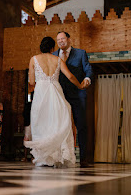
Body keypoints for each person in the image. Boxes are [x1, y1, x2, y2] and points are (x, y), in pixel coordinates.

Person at [24, 36, 84, 168]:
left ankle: (44, 158)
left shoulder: (33, 59)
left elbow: (31, 82)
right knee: (56, 122)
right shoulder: (58, 59)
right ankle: (57, 157)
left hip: (41, 92)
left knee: (41, 122)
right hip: (56, 92)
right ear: (52, 48)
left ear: (41, 46)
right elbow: (69, 76)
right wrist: (79, 85)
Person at [53, 31, 93, 167]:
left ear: (69, 39)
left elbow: (88, 69)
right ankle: (58, 157)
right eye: (58, 40)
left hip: (77, 95)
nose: (60, 42)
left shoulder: (81, 53)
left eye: (63, 39)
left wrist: (87, 79)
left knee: (81, 125)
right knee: (58, 126)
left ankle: (84, 158)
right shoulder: (53, 56)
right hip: (59, 95)